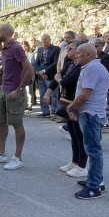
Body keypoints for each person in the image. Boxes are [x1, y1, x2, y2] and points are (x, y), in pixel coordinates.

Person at [0, 24, 34, 170]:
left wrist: (19, 89)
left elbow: (29, 70)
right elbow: (10, 69)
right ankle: (1, 154)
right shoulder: (4, 48)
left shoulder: (16, 48)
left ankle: (18, 158)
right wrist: (3, 84)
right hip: (4, 91)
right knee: (2, 123)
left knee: (17, 124)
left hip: (14, 94)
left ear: (5, 33)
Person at [67, 43, 109, 199]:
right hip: (90, 113)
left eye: (79, 53)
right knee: (92, 149)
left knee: (93, 150)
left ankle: (94, 187)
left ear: (88, 54)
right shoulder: (92, 67)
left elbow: (85, 95)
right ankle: (97, 181)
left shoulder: (92, 69)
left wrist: (71, 107)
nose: (76, 55)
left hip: (90, 114)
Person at [44, 40, 86, 177]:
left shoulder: (82, 67)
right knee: (73, 134)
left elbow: (67, 81)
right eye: (68, 48)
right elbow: (57, 78)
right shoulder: (69, 64)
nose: (68, 50)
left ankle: (82, 165)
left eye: (71, 48)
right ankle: (74, 162)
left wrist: (59, 79)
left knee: (79, 135)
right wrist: (48, 91)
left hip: (77, 104)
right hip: (67, 102)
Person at [35, 33, 60, 118]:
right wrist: (40, 72)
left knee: (53, 94)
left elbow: (55, 62)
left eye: (45, 39)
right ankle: (45, 111)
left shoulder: (56, 49)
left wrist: (45, 71)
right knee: (42, 94)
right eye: (42, 39)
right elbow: (36, 63)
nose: (43, 41)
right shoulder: (40, 49)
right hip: (41, 76)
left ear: (49, 40)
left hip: (51, 75)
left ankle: (54, 111)